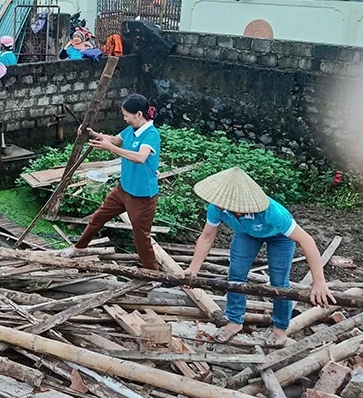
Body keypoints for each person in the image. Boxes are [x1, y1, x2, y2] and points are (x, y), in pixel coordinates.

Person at [185, 167, 335, 345]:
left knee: (279, 283)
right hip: (245, 233)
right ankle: (234, 321)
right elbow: (207, 237)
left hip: (279, 237)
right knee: (236, 275)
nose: (219, 205)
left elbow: (307, 241)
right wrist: (193, 269)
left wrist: (319, 282)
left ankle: (280, 328)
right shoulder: (217, 207)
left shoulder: (271, 212)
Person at [60, 94, 161, 270]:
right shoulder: (131, 130)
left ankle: (153, 274)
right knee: (98, 217)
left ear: (138, 114)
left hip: (142, 196)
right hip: (123, 190)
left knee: (141, 237)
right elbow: (115, 140)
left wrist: (112, 149)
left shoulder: (151, 134)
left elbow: (140, 157)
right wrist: (94, 134)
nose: (124, 118)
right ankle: (79, 247)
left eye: (126, 115)